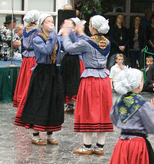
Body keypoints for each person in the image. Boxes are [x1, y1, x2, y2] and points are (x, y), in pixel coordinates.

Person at [61, 15, 113, 155]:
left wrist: (66, 33)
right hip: (103, 79)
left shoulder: (87, 43)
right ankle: (100, 147)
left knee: (88, 109)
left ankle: (87, 146)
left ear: (93, 27)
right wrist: (81, 32)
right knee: (102, 111)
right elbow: (88, 40)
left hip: (90, 79)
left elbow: (68, 47)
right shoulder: (107, 42)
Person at [14, 14, 64, 145]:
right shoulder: (37, 39)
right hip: (42, 72)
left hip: (53, 71)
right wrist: (54, 35)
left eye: (52, 22)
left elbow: (66, 48)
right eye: (48, 22)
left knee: (52, 101)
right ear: (41, 25)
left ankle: (50, 134)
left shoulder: (55, 37)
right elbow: (47, 50)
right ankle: (35, 134)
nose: (51, 24)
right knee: (38, 101)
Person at [12, 10, 40, 108]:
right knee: (31, 79)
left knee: (24, 79)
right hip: (34, 57)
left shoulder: (25, 30)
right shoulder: (37, 30)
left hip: (26, 58)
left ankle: (21, 99)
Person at [60, 17, 84, 113]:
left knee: (76, 83)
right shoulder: (66, 35)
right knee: (66, 82)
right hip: (67, 59)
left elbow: (76, 44)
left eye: (72, 25)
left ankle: (77, 104)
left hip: (77, 60)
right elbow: (63, 46)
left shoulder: (80, 36)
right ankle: (69, 104)